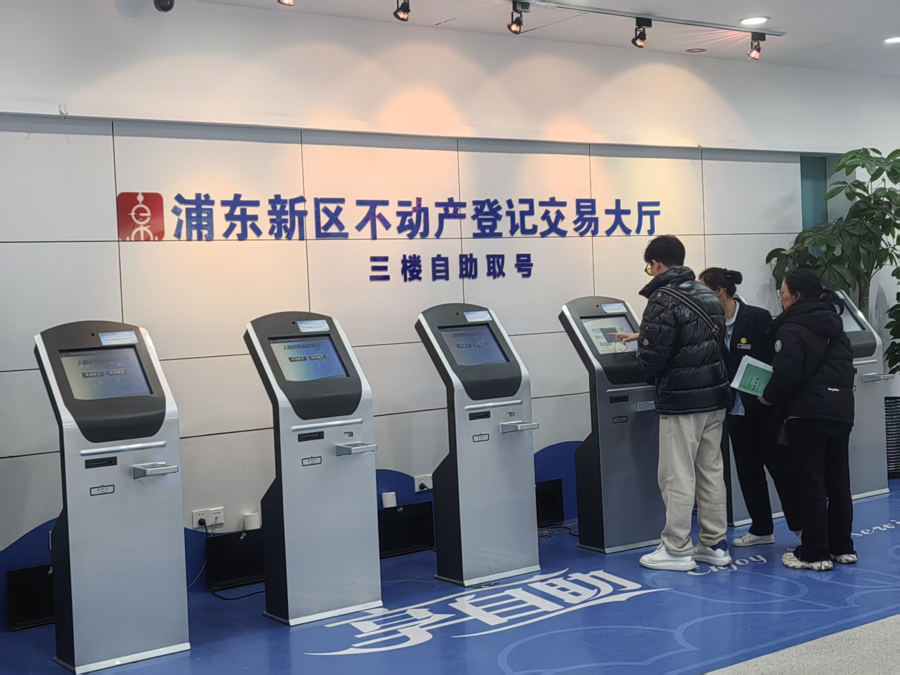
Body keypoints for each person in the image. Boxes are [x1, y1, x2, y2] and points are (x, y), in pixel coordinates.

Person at [614, 236, 733, 572]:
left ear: (656, 264)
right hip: (715, 396)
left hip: (682, 399)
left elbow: (653, 357)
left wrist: (643, 362)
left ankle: (677, 547)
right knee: (711, 470)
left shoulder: (662, 298)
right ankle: (714, 544)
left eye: (649, 267)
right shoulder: (707, 294)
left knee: (676, 473)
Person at [760, 269, 857, 572]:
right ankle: (843, 547)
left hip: (808, 413)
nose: (781, 297)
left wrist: (767, 397)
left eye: (783, 292)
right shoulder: (836, 325)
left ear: (797, 296)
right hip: (841, 410)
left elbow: (786, 373)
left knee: (810, 483)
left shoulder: (792, 327)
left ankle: (815, 553)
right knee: (839, 482)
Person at [699, 267, 801, 547]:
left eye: (703, 291)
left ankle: (801, 527)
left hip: (765, 406)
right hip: (734, 409)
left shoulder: (757, 317)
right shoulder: (709, 323)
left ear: (720, 291)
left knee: (780, 469)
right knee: (747, 471)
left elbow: (775, 358)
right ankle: (761, 528)